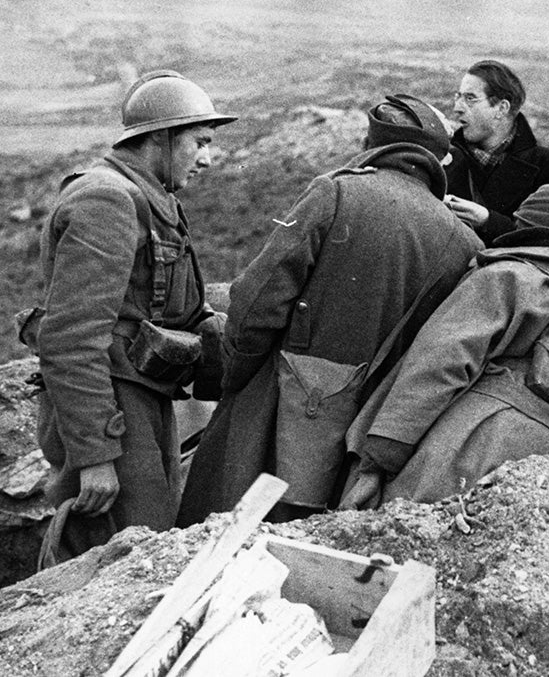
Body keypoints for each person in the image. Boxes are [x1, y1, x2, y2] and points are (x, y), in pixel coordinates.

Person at [177, 94, 483, 525]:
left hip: (277, 416)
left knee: (221, 536)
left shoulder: (336, 192)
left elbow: (257, 298)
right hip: (373, 441)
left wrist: (236, 374)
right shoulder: (466, 244)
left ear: (372, 143)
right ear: (439, 161)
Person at [340, 183, 549, 507]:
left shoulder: (509, 276)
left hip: (473, 445)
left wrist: (384, 450)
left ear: (525, 228)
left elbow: (441, 361)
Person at [32, 70, 235, 557]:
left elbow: (177, 306)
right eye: (199, 142)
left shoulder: (150, 196)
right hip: (111, 409)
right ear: (161, 138)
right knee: (116, 552)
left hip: (140, 398)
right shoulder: (107, 199)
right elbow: (72, 338)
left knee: (149, 538)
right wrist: (96, 456)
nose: (207, 158)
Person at [444, 60, 549, 246]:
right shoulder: (442, 160)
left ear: (502, 108)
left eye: (470, 98)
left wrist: (489, 222)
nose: (457, 107)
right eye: (458, 97)